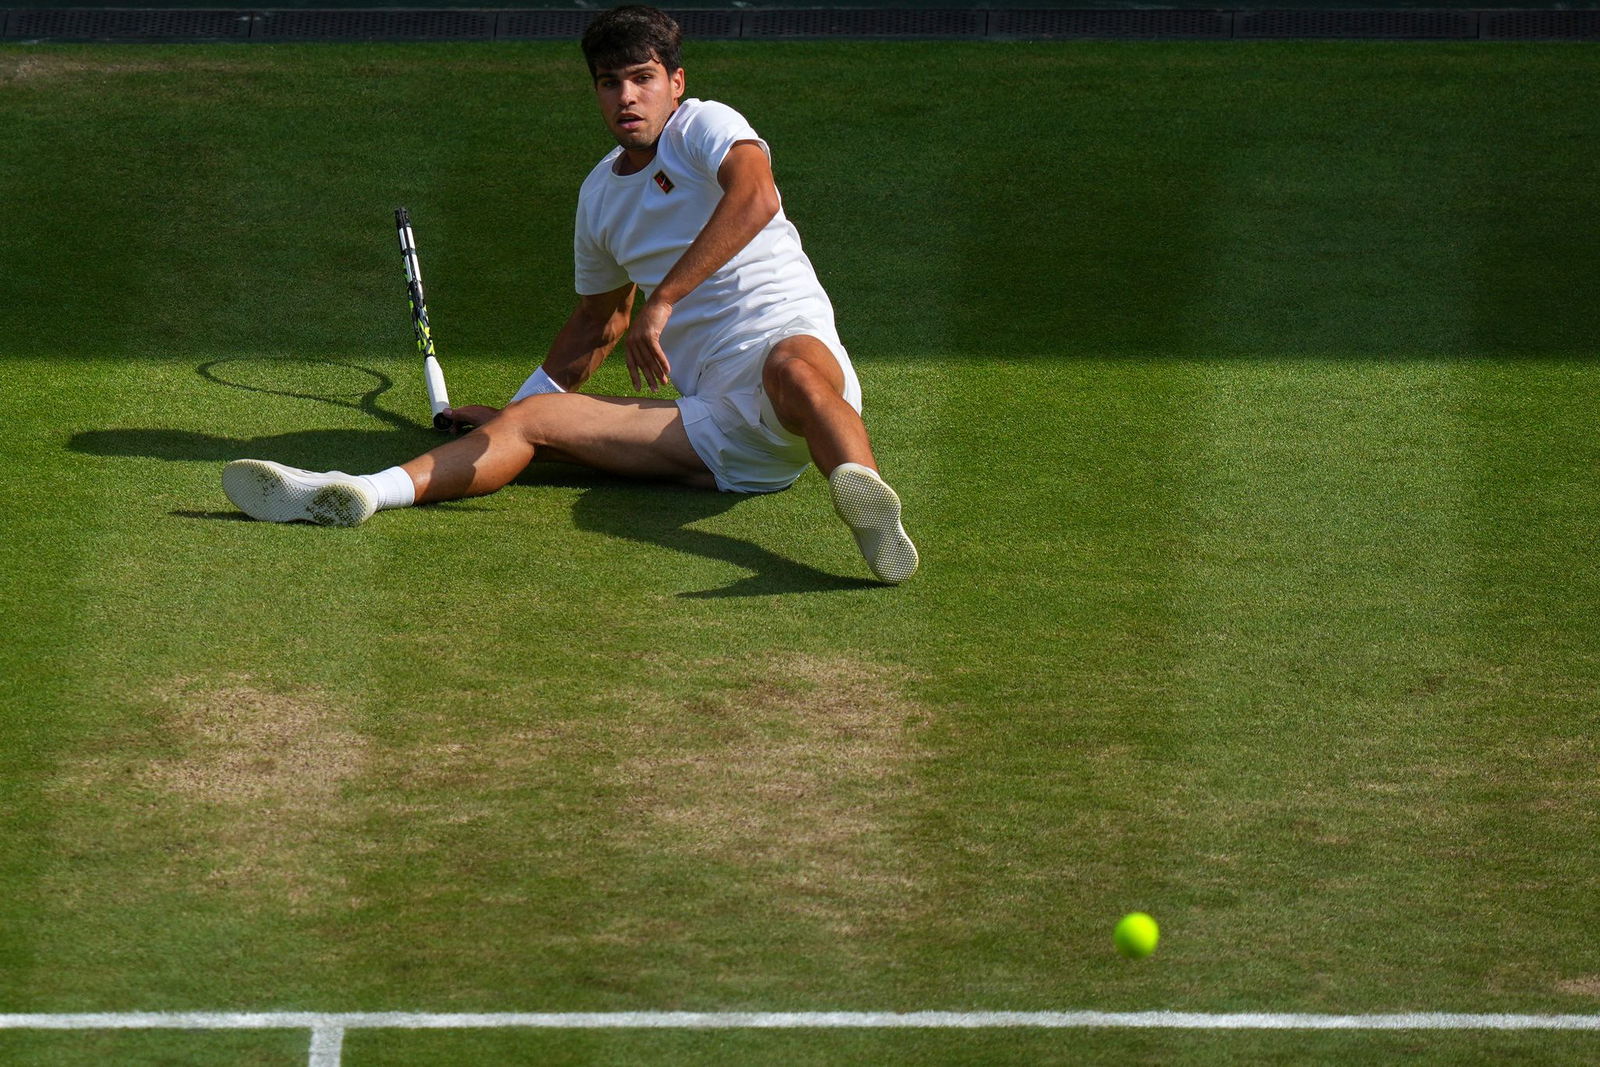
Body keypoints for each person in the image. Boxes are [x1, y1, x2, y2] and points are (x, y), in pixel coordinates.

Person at [222, 4, 917, 584]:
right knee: (533, 426)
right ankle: (360, 491)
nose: (627, 97)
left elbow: (757, 196)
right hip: (721, 428)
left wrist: (665, 301)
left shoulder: (705, 126)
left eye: (643, 79)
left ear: (676, 83)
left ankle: (866, 505)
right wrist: (515, 407)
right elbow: (597, 324)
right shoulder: (599, 199)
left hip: (794, 364)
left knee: (789, 369)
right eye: (610, 83)